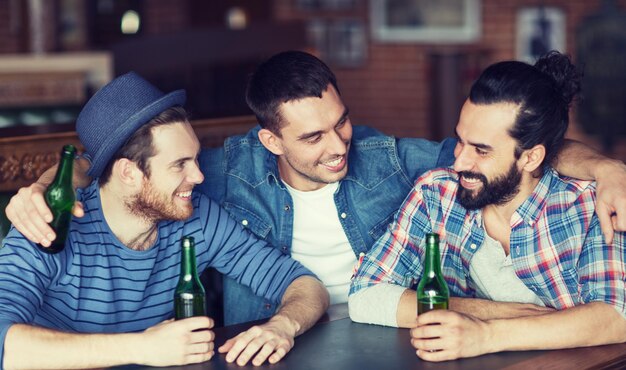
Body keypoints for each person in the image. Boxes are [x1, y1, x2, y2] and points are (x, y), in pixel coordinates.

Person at [5, 51, 626, 326]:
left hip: (384, 337)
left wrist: (605, 168)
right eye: (311, 138)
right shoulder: (215, 175)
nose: (338, 146)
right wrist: (51, 181)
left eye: (342, 122)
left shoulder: (389, 159)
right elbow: (125, 170)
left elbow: (501, 161)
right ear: (270, 142)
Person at [0, 72, 329, 369]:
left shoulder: (198, 220)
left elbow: (304, 285)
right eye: (180, 164)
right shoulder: (48, 224)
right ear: (129, 172)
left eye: (196, 159)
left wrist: (282, 326)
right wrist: (141, 347)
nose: (199, 176)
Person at [349, 51, 626, 361]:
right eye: (460, 140)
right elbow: (365, 294)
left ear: (531, 157)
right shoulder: (435, 195)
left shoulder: (587, 207)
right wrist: (488, 313)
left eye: (481, 150)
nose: (459, 160)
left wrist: (486, 335)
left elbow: (616, 317)